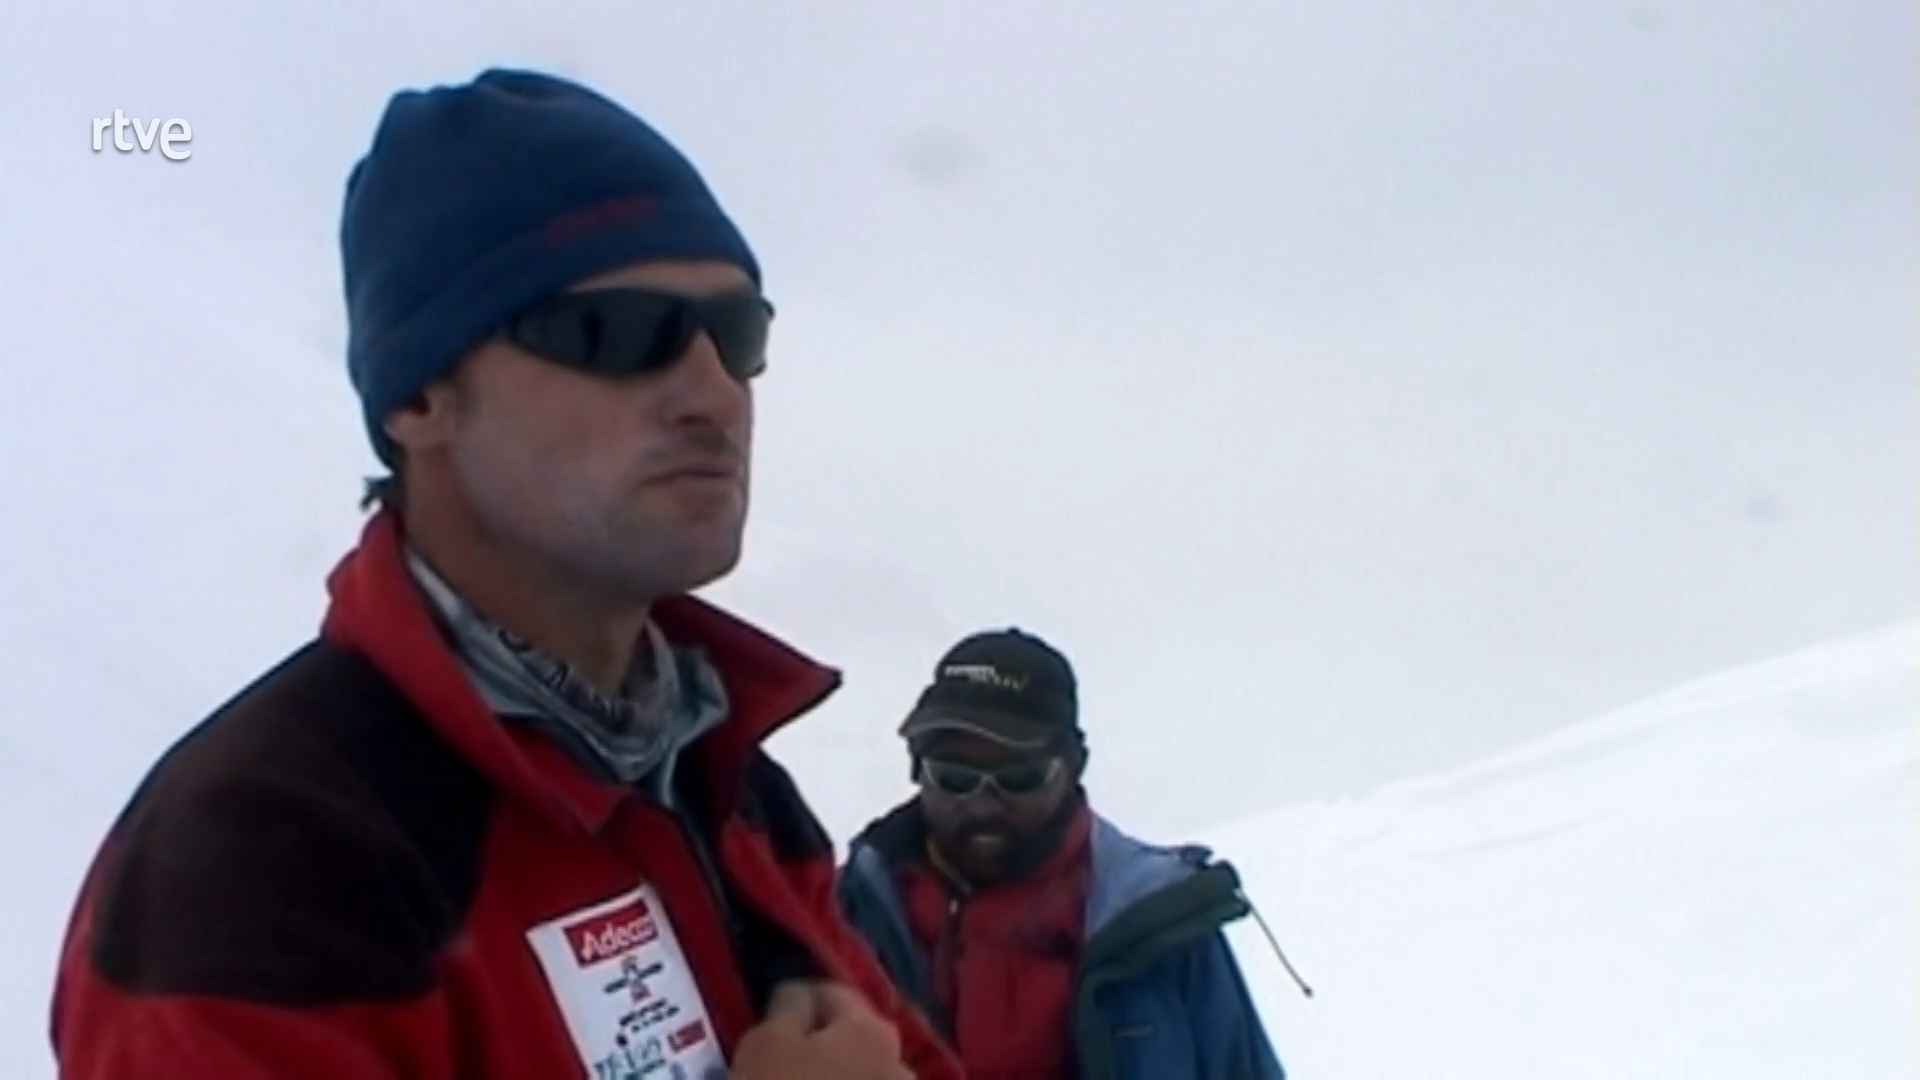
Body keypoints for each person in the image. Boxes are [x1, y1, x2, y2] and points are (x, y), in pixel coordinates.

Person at [49, 68, 963, 1080]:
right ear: (419, 397)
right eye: (617, 333)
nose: (714, 392)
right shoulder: (264, 864)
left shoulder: (728, 784)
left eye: (738, 336)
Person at [837, 628, 1289, 1079]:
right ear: (917, 770)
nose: (983, 805)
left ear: (1074, 768)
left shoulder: (1160, 925)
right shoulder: (843, 921)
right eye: (954, 778)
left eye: (1019, 779)